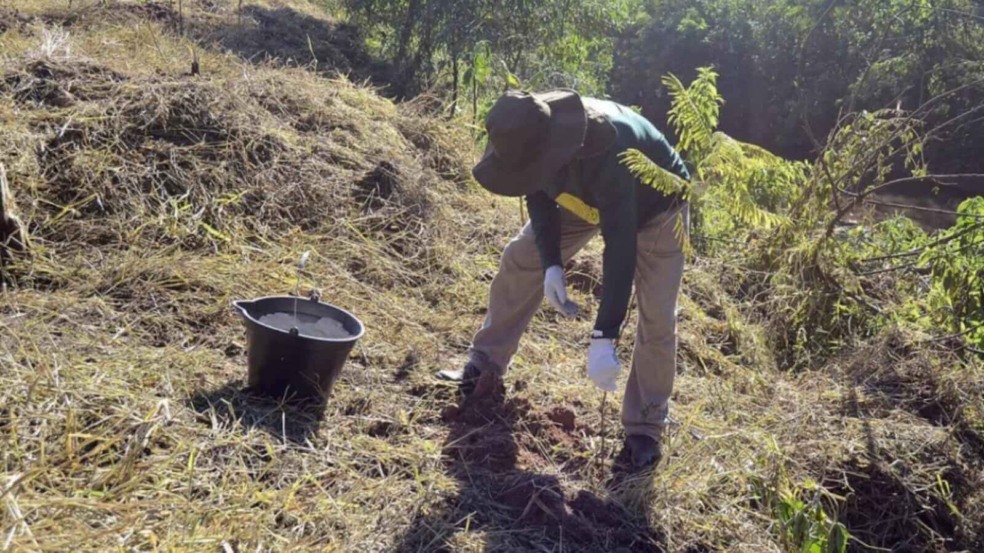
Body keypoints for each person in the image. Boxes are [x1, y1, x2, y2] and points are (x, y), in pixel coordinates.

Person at [438, 89, 690, 469]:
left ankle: (646, 425)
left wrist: (603, 336)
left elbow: (620, 248)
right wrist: (551, 263)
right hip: (584, 194)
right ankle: (485, 363)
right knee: (521, 257)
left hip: (656, 205)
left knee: (656, 314)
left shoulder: (610, 150)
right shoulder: (529, 133)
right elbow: (535, 191)